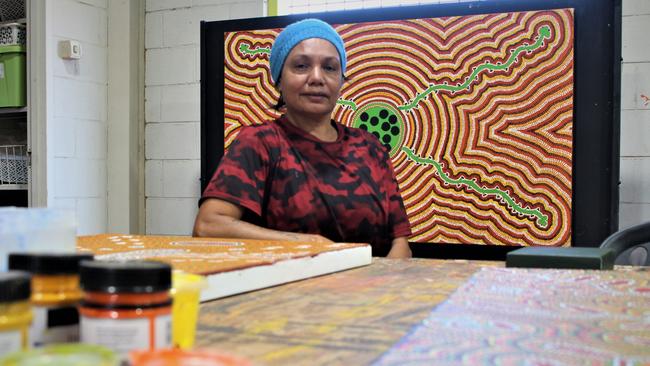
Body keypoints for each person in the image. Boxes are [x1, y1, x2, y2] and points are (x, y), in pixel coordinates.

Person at [194, 18, 412, 258]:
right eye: (301, 66)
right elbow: (209, 226)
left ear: (341, 80)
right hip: (288, 291)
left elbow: (400, 243)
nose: (317, 78)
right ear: (279, 80)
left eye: (330, 68)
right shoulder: (261, 143)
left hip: (371, 291)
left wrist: (382, 285)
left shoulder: (371, 148)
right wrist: (307, 244)